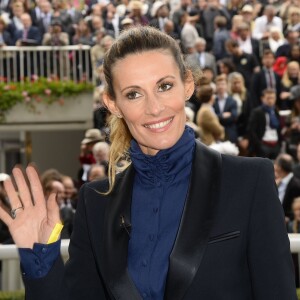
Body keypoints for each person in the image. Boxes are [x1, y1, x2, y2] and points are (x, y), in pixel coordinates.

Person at [0, 26, 297, 300]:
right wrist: (39, 259)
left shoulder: (249, 181)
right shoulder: (96, 203)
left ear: (188, 85)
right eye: (133, 94)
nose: (154, 108)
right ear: (114, 104)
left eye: (164, 86)